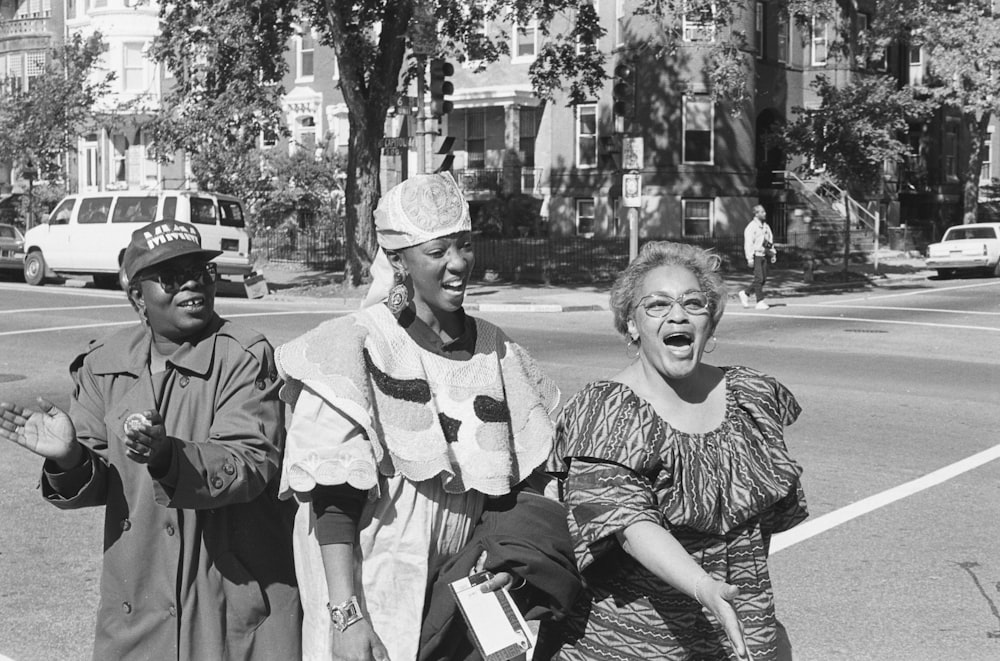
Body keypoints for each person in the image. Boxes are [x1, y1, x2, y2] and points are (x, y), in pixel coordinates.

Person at [275, 172, 568, 661]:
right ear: (397, 260)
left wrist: (512, 557)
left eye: (465, 246)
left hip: (467, 575)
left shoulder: (499, 353)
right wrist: (347, 617)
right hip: (375, 575)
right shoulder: (353, 346)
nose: (458, 265)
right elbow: (333, 500)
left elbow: (531, 479)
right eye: (437, 253)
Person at [0, 220, 301, 661]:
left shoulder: (244, 356)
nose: (192, 283)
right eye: (172, 276)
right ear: (138, 295)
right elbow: (103, 479)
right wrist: (69, 458)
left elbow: (250, 464)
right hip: (137, 607)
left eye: (200, 271)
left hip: (231, 603)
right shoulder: (105, 364)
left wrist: (168, 457)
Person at [547, 241, 807, 661]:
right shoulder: (608, 409)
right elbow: (628, 524)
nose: (678, 314)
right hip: (632, 644)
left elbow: (759, 527)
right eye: (657, 305)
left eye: (694, 302)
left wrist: (761, 622)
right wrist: (704, 586)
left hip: (742, 634)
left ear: (711, 320)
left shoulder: (752, 396)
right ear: (631, 325)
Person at [738, 204, 777, 310]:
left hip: (764, 255)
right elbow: (749, 243)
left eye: (764, 212)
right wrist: (749, 258)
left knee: (763, 279)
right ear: (756, 214)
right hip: (756, 255)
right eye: (762, 212)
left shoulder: (766, 226)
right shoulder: (751, 227)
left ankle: (745, 293)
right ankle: (760, 301)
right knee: (759, 278)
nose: (765, 214)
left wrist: (772, 253)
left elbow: (769, 241)